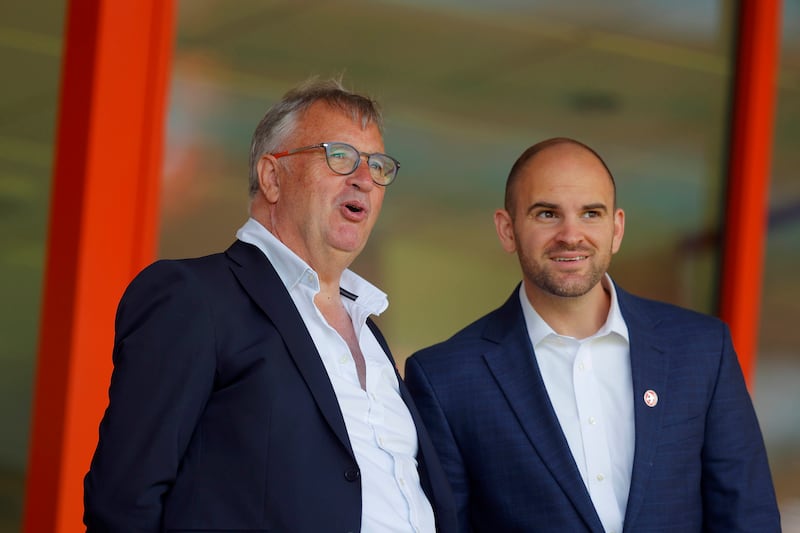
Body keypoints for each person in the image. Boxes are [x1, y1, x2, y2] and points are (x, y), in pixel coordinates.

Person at [84, 77, 457, 533]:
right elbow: (123, 501)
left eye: (378, 166)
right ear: (272, 176)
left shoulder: (371, 333)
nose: (365, 179)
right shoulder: (196, 297)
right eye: (340, 157)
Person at [404, 137, 781, 532]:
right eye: (547, 214)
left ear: (616, 228)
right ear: (507, 229)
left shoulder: (701, 349)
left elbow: (747, 516)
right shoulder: (445, 379)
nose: (571, 234)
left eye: (590, 213)